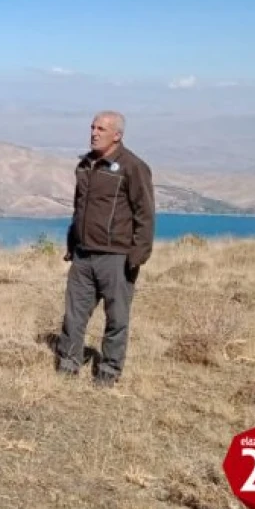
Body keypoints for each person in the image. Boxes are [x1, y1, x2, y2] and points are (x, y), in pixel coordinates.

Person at [55, 110, 154, 387]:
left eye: (101, 129)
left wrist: (137, 255)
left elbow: (144, 213)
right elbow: (79, 208)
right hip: (83, 255)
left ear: (117, 135)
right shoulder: (85, 165)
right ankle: (68, 363)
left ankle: (109, 371)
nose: (94, 133)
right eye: (92, 127)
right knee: (74, 315)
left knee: (116, 317)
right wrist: (72, 244)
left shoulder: (132, 167)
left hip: (116, 257)